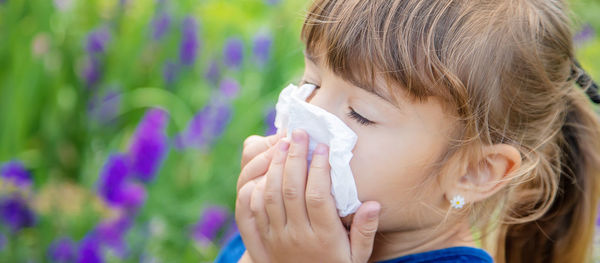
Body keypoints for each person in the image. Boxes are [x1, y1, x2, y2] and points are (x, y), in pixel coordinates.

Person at [217, 0, 600, 262]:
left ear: (474, 172)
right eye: (310, 82)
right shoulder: (289, 234)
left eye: (361, 114)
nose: (311, 115)